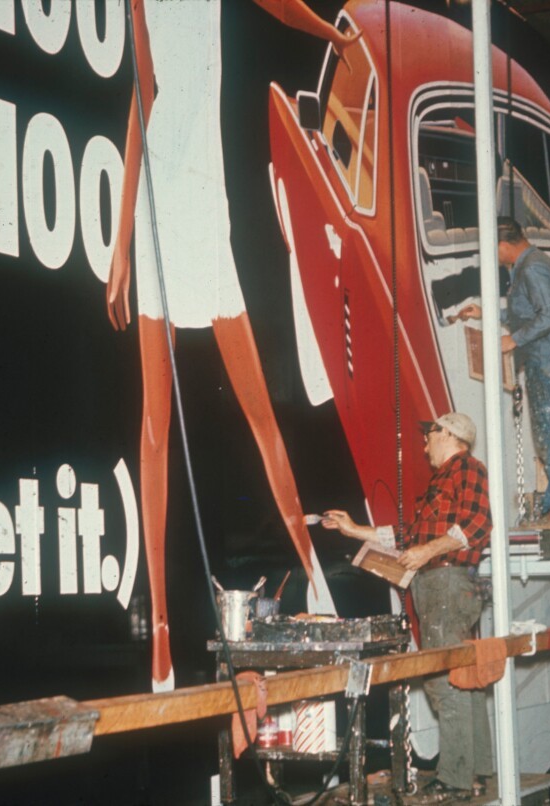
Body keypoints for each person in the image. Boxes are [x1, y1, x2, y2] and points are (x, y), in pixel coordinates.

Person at [109, 0, 358, 692]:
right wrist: (122, 241)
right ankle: (160, 626)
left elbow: (279, 4)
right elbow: (142, 95)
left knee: (260, 413)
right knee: (154, 428)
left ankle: (314, 576)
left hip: (202, 198)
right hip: (160, 196)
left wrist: (332, 31)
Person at [321, 411, 493, 800]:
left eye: (429, 434)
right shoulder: (443, 481)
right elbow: (407, 535)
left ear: (447, 433)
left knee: (442, 679)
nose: (424, 443)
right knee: (461, 678)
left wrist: (427, 551)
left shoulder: (466, 467)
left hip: (447, 583)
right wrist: (353, 529)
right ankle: (476, 772)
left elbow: (479, 524)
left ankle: (456, 780)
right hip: (442, 584)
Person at [458, 216, 550, 530]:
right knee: (548, 434)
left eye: (493, 250)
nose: (494, 258)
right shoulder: (532, 265)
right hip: (549, 359)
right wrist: (486, 312)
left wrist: (512, 340)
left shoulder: (533, 268)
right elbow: (526, 311)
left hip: (549, 360)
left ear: (503, 244)